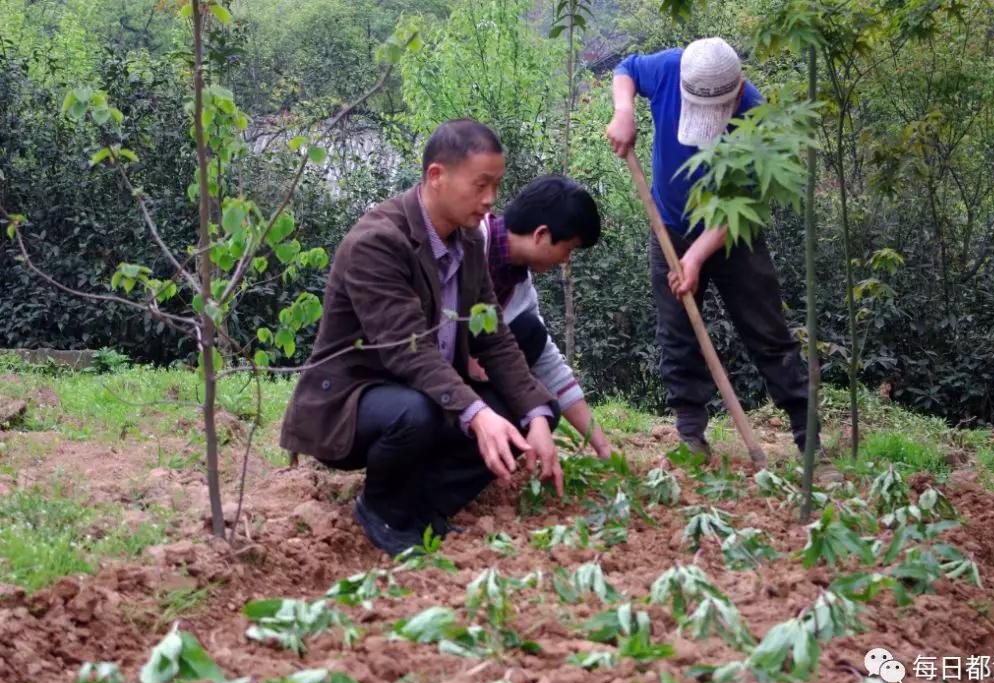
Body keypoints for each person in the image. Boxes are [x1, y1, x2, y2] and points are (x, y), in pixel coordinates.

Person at [280, 119, 562, 556]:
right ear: (437, 176)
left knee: (530, 411)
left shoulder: (468, 243)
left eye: (496, 186)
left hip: (429, 393)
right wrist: (477, 412)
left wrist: (537, 414)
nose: (490, 201)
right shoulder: (378, 242)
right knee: (417, 413)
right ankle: (383, 508)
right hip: (357, 401)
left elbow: (493, 337)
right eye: (480, 185)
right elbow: (408, 351)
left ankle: (423, 505)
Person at [605, 37, 816, 456]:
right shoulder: (671, 68)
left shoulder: (757, 119)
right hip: (669, 227)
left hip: (734, 234)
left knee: (768, 332)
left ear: (737, 92)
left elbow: (745, 207)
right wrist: (623, 111)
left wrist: (697, 256)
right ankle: (690, 438)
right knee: (677, 332)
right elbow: (625, 69)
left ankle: (809, 441)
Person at [468, 175, 614, 459]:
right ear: (541, 235)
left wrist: (602, 445)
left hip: (471, 386)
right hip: (428, 377)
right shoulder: (468, 242)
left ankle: (479, 459)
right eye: (568, 249)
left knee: (531, 340)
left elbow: (549, 365)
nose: (566, 259)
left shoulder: (520, 289)